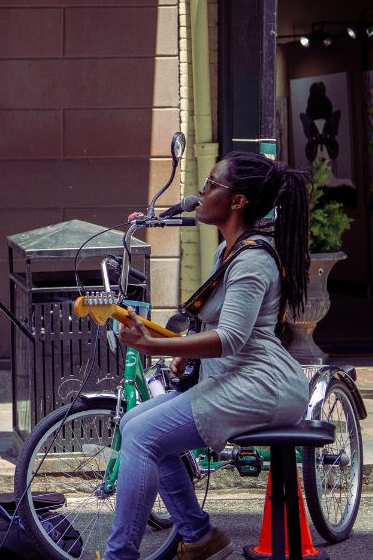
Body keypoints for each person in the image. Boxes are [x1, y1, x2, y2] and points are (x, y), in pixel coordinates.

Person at [106, 151, 312, 560]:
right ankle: (199, 537)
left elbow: (231, 338)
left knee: (144, 437)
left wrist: (155, 346)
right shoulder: (227, 253)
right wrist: (186, 351)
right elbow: (219, 327)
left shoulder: (252, 261)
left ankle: (121, 555)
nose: (200, 194)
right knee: (133, 426)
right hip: (237, 378)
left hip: (263, 386)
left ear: (237, 201)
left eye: (211, 185)